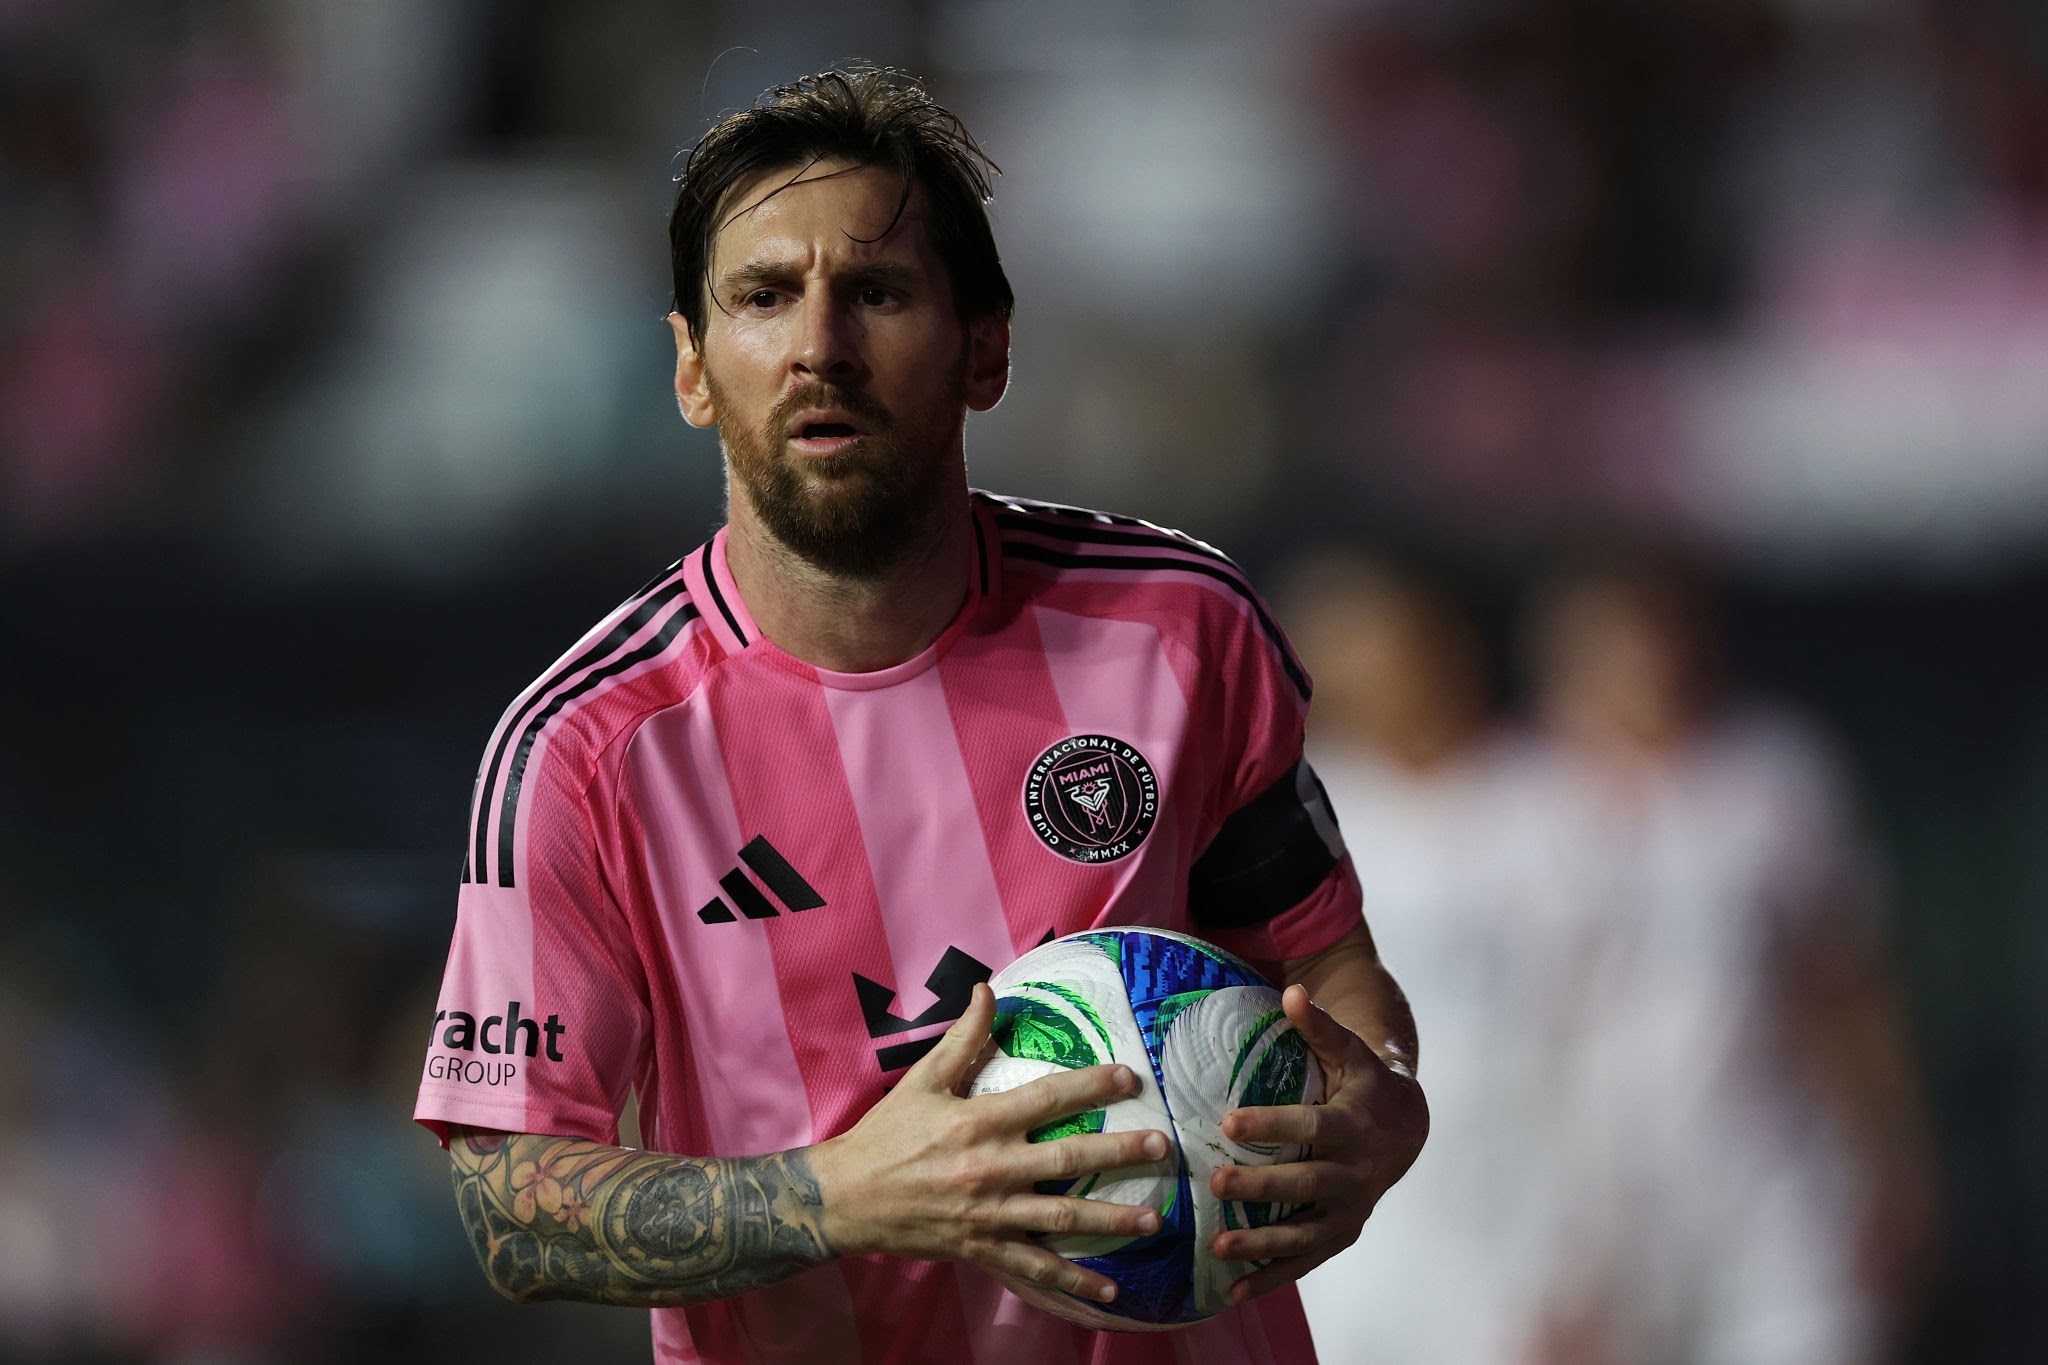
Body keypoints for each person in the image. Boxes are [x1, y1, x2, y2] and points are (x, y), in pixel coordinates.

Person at [412, 65, 1428, 1365]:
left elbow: (1330, 975)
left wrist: (1381, 1106)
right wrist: (845, 1193)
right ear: (691, 369)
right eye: (762, 297)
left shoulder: (1181, 630)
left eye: (877, 292)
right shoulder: (585, 749)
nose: (819, 346)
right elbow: (511, 1208)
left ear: (985, 349)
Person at [1513, 549, 1940, 1365]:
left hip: (1774, 1181)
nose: (1644, 664)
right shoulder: (1511, 801)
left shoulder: (1775, 773)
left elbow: (1846, 981)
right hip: (1594, 1207)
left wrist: (1897, 1160)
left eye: (1657, 636)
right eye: (1611, 643)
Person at [1279, 554, 1582, 1363]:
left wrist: (1578, 1260)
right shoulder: (1285, 819)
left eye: (1364, 640)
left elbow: (1611, 1050)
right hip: (1343, 1245)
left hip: (1517, 1238)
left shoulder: (1561, 802)